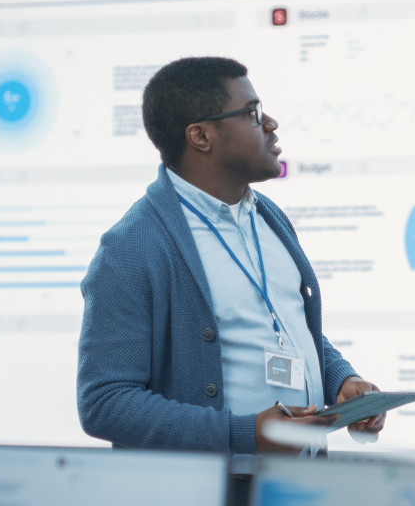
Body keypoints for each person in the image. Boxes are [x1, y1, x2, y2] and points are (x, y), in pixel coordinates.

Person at [76, 56, 386, 452]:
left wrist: (342, 381)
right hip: (209, 503)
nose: (271, 124)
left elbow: (282, 329)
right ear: (201, 136)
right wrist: (243, 434)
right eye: (253, 113)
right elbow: (104, 403)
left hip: (297, 486)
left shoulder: (267, 216)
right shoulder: (132, 248)